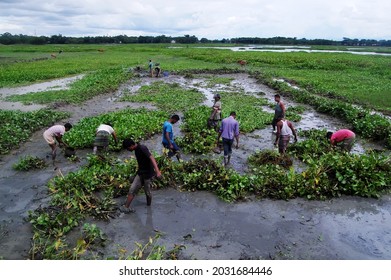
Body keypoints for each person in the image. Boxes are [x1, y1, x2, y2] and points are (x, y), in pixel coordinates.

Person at [121, 139, 162, 213]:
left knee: (148, 193)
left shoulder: (142, 148)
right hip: (140, 173)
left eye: (128, 148)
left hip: (148, 175)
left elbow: (152, 158)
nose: (128, 150)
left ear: (131, 145)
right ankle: (126, 207)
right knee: (132, 189)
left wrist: (157, 171)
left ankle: (149, 208)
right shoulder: (136, 150)